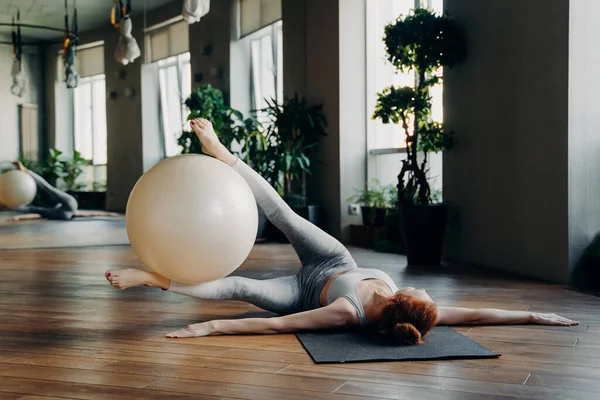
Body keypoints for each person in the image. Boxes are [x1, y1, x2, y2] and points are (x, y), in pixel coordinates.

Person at [106, 118, 578, 343]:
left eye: (422, 294)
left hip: (302, 291)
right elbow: (475, 315)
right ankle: (223, 153)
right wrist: (534, 317)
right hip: (336, 261)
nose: (429, 292)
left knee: (238, 286)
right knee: (285, 216)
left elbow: (277, 325)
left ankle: (153, 279)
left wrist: (210, 328)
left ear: (398, 301)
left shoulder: (348, 315)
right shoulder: (411, 305)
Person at [0, 161, 119, 222]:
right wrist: (109, 214)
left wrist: (109, 214)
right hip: (66, 211)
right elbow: (89, 213)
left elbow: (87, 213)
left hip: (67, 210)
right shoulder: (60, 212)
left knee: (48, 191)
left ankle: (7, 206)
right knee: (44, 197)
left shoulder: (61, 212)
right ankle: (7, 207)